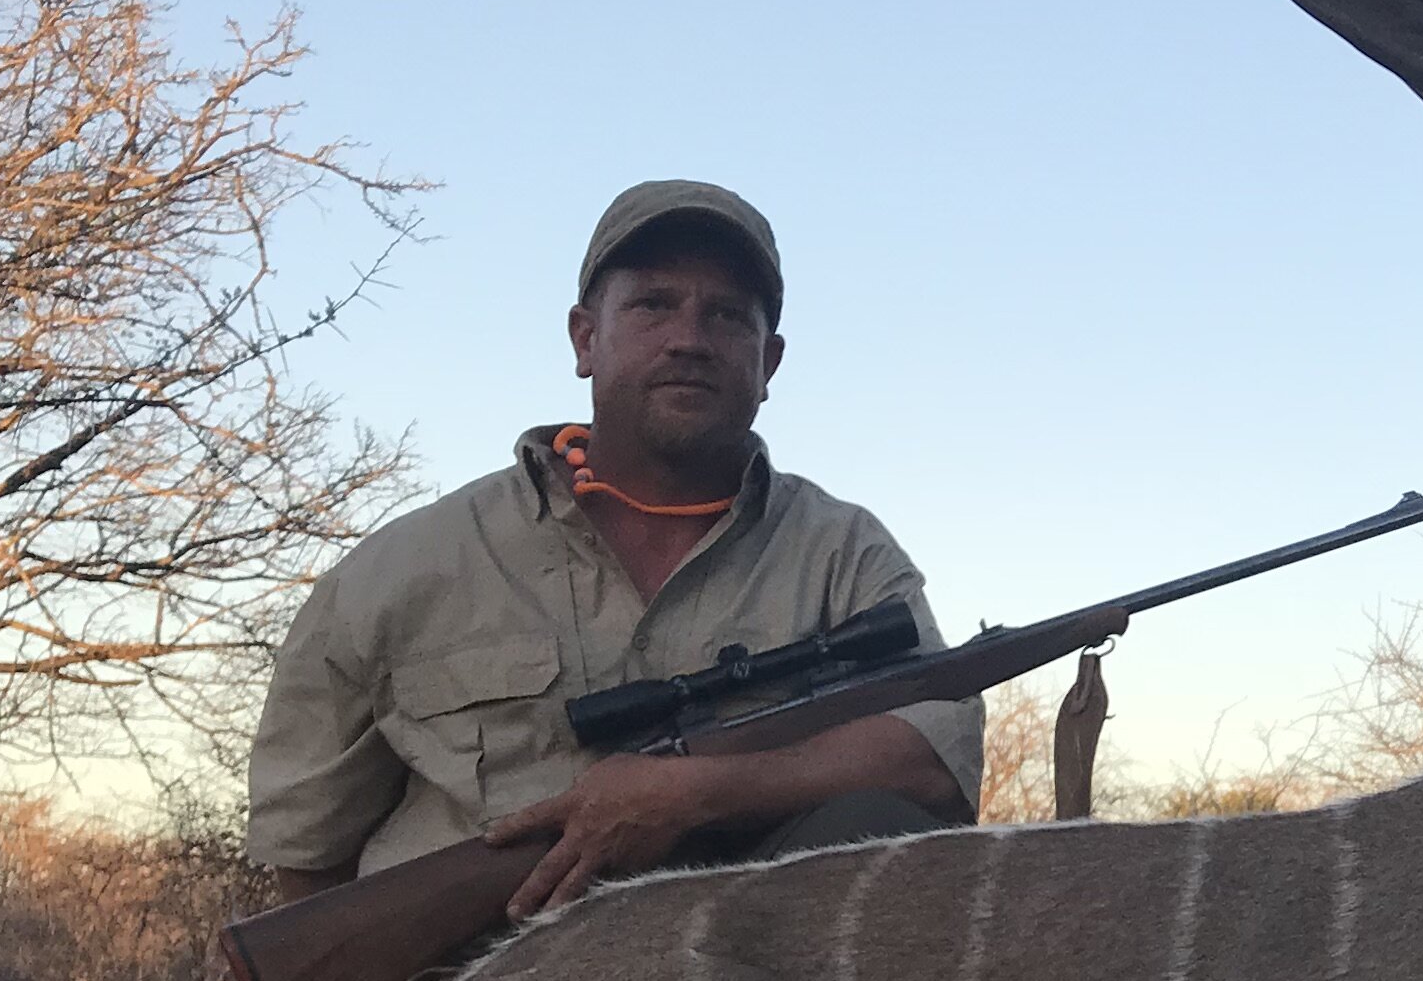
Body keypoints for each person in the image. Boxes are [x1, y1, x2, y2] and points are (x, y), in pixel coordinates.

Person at [245, 180, 978, 917]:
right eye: (653, 304)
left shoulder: (843, 552)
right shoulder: (402, 568)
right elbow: (307, 854)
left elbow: (931, 758)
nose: (690, 338)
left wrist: (693, 794)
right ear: (585, 337)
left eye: (727, 315)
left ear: (770, 362)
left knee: (882, 832)